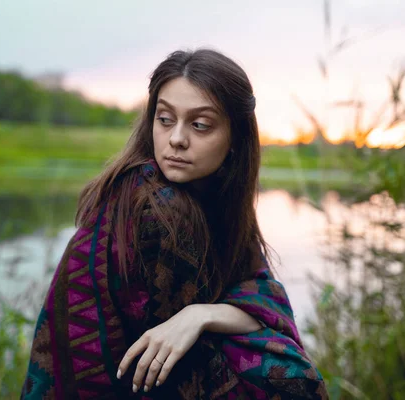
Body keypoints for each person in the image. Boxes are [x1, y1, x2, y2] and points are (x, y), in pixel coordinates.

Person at [20, 48, 328, 399]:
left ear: (234, 140)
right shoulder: (154, 204)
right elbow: (195, 357)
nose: (177, 139)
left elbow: (262, 294)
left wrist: (199, 315)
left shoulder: (219, 203)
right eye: (165, 119)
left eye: (200, 125)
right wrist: (208, 317)